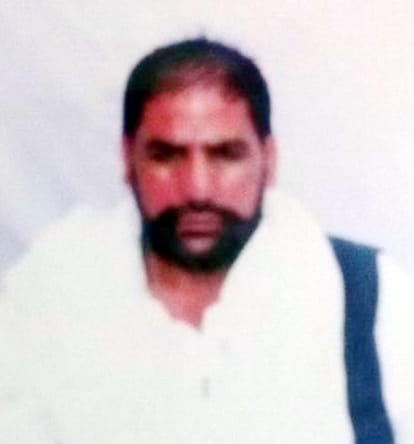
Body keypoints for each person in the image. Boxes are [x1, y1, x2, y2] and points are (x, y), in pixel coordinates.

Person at [0, 38, 413, 443]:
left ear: (268, 159)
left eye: (225, 154)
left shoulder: (367, 297)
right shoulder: (47, 298)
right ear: (127, 159)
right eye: (166, 155)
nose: (197, 188)